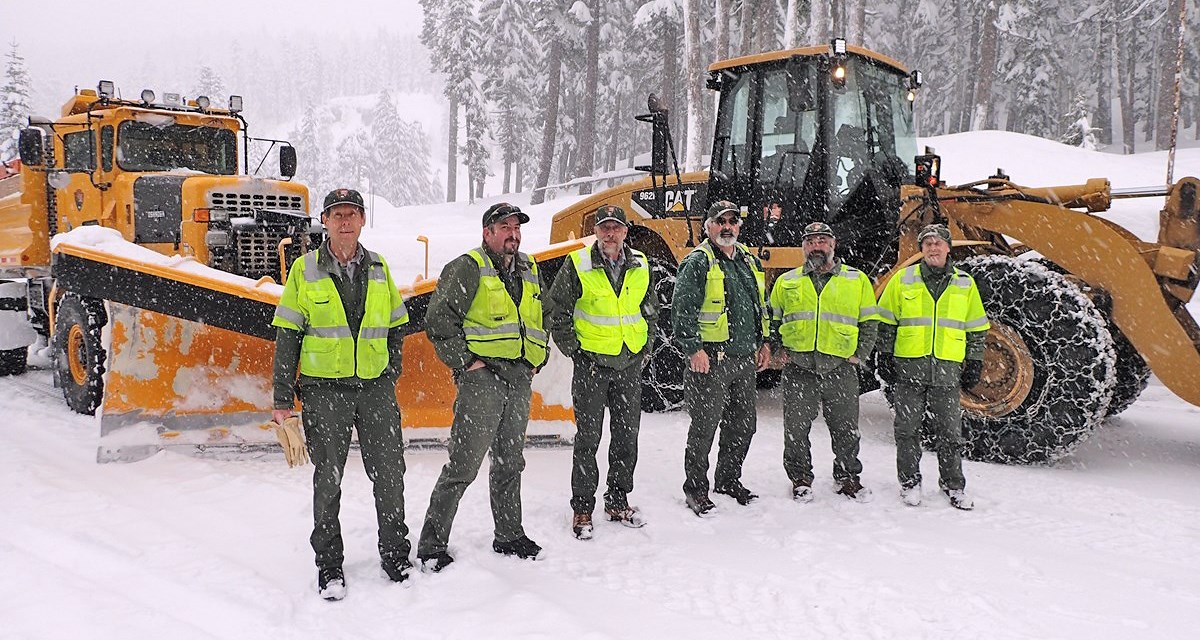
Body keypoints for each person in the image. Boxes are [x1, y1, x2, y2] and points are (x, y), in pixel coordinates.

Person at [271, 187, 413, 602]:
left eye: (352, 213)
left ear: (363, 220)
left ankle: (394, 554)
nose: (345, 221)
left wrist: (390, 371)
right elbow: (287, 335)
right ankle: (329, 565)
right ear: (326, 222)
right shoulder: (304, 269)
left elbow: (397, 325)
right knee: (328, 479)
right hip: (324, 393)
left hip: (374, 391)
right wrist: (282, 399)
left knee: (390, 475)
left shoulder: (380, 268)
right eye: (337, 215)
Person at [417, 202, 548, 571]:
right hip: (483, 381)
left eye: (516, 227)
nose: (513, 233)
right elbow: (439, 321)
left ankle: (509, 535)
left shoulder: (529, 268)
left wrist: (538, 357)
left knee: (510, 463)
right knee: (463, 466)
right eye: (504, 226)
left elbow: (544, 314)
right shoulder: (467, 267)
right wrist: (467, 364)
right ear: (487, 232)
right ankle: (431, 546)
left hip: (520, 379)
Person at [546, 204, 658, 540]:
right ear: (596, 231)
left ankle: (618, 500)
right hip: (592, 366)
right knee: (588, 439)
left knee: (626, 437)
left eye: (617, 228)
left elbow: (649, 308)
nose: (611, 234)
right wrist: (575, 351)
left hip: (628, 363)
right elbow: (557, 310)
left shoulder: (641, 263)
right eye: (604, 228)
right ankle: (582, 507)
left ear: (626, 231)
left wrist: (645, 345)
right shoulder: (578, 264)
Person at [877, 223, 989, 510]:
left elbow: (976, 327)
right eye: (928, 243)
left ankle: (953, 485)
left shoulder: (964, 283)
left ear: (948, 248)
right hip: (909, 369)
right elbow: (887, 321)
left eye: (938, 243)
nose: (933, 248)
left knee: (950, 433)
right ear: (921, 249)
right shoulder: (904, 279)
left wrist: (975, 360)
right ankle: (910, 482)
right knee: (907, 430)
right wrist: (885, 355)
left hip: (947, 371)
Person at [769, 222, 880, 504]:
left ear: (833, 244)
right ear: (803, 247)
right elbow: (773, 319)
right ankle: (800, 478)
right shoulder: (787, 281)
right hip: (799, 367)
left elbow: (869, 321)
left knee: (845, 429)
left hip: (840, 368)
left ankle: (847, 477)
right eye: (811, 241)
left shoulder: (856, 280)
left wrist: (861, 353)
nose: (816, 246)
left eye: (822, 240)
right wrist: (777, 348)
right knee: (795, 430)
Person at [673, 200, 771, 516]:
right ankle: (696, 489)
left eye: (732, 221)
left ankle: (728, 480)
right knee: (704, 427)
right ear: (708, 226)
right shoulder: (698, 262)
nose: (727, 227)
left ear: (739, 226)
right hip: (711, 360)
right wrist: (693, 348)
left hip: (744, 359)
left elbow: (760, 306)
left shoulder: (749, 261)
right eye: (720, 222)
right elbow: (682, 310)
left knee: (743, 425)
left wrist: (764, 342)